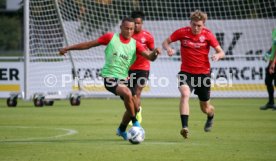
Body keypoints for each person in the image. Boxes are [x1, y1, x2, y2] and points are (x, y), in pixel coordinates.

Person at [59, 17, 161, 140]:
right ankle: (135, 123)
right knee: (127, 93)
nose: (129, 31)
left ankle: (122, 129)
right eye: (126, 28)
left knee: (136, 106)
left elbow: (149, 57)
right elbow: (89, 44)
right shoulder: (111, 37)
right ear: (121, 28)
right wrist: (68, 48)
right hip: (109, 77)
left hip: (124, 78)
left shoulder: (136, 44)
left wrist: (154, 53)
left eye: (131, 29)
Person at [162, 10, 225, 139]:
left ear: (204, 25)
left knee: (205, 107)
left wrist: (218, 55)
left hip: (203, 74)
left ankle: (211, 115)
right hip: (186, 72)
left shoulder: (208, 35)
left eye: (199, 26)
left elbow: (221, 51)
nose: (196, 28)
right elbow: (165, 42)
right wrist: (168, 49)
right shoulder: (182, 32)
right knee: (185, 94)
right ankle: (185, 127)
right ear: (190, 23)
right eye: (194, 24)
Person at [128, 10, 155, 125]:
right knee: (130, 94)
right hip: (129, 69)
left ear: (142, 23)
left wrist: (156, 53)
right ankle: (137, 109)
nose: (137, 25)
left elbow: (152, 50)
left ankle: (135, 114)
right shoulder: (127, 35)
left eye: (139, 23)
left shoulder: (147, 36)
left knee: (137, 92)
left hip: (143, 68)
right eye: (135, 23)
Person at [260, 28, 276, 110]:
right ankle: (271, 102)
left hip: (274, 62)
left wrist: (273, 63)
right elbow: (274, 46)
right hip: (272, 61)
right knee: (268, 81)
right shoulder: (274, 31)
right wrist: (268, 52)